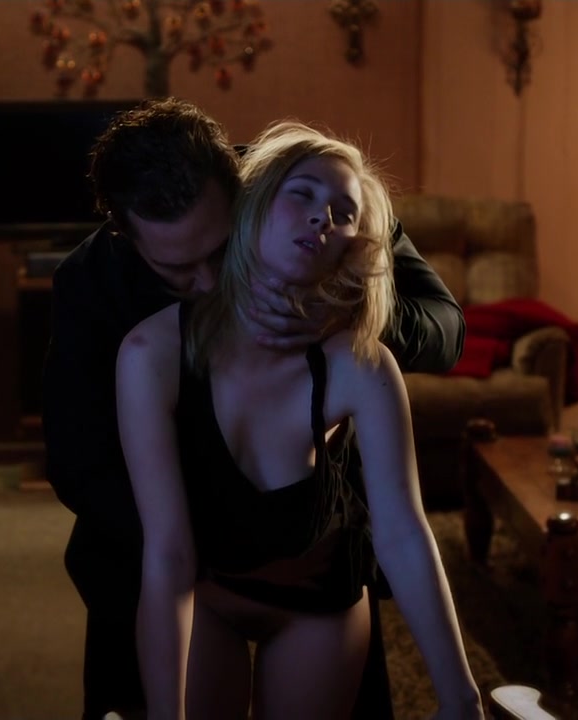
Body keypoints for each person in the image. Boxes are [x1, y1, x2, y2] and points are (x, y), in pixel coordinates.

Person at [41, 98, 465, 719]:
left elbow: (446, 328)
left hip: (315, 541)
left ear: (244, 194)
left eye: (220, 251)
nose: (211, 283)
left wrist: (345, 307)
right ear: (125, 238)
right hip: (163, 542)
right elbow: (77, 464)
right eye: (179, 268)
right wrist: (214, 541)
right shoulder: (99, 294)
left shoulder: (304, 189)